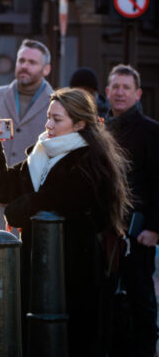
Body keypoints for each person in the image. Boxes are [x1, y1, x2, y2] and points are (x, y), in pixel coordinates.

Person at [0, 88, 131, 357]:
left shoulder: (90, 159)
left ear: (79, 123)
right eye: (48, 117)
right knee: (35, 335)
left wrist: (17, 210)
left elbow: (56, 200)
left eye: (57, 120)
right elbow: (4, 188)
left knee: (70, 340)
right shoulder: (43, 152)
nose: (48, 125)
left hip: (75, 268)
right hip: (37, 260)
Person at [0, 40, 55, 240]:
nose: (24, 65)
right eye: (21, 60)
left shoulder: (56, 104)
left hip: (30, 211)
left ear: (46, 69)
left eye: (32, 62)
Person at [105, 64, 159, 357]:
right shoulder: (101, 129)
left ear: (138, 93)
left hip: (138, 234)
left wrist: (154, 227)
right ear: (107, 91)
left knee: (141, 301)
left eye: (126, 87)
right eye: (115, 86)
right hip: (106, 232)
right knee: (110, 301)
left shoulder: (151, 131)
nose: (120, 92)